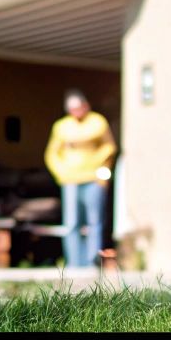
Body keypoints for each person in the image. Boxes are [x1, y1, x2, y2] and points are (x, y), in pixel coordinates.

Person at [43, 90, 117, 271]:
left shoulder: (97, 122)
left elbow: (109, 146)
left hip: (93, 178)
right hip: (70, 180)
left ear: (86, 106)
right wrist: (61, 173)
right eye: (72, 109)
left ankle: (92, 261)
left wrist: (100, 168)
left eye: (78, 108)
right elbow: (52, 154)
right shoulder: (62, 127)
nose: (76, 112)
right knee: (72, 222)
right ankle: (74, 263)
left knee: (94, 222)